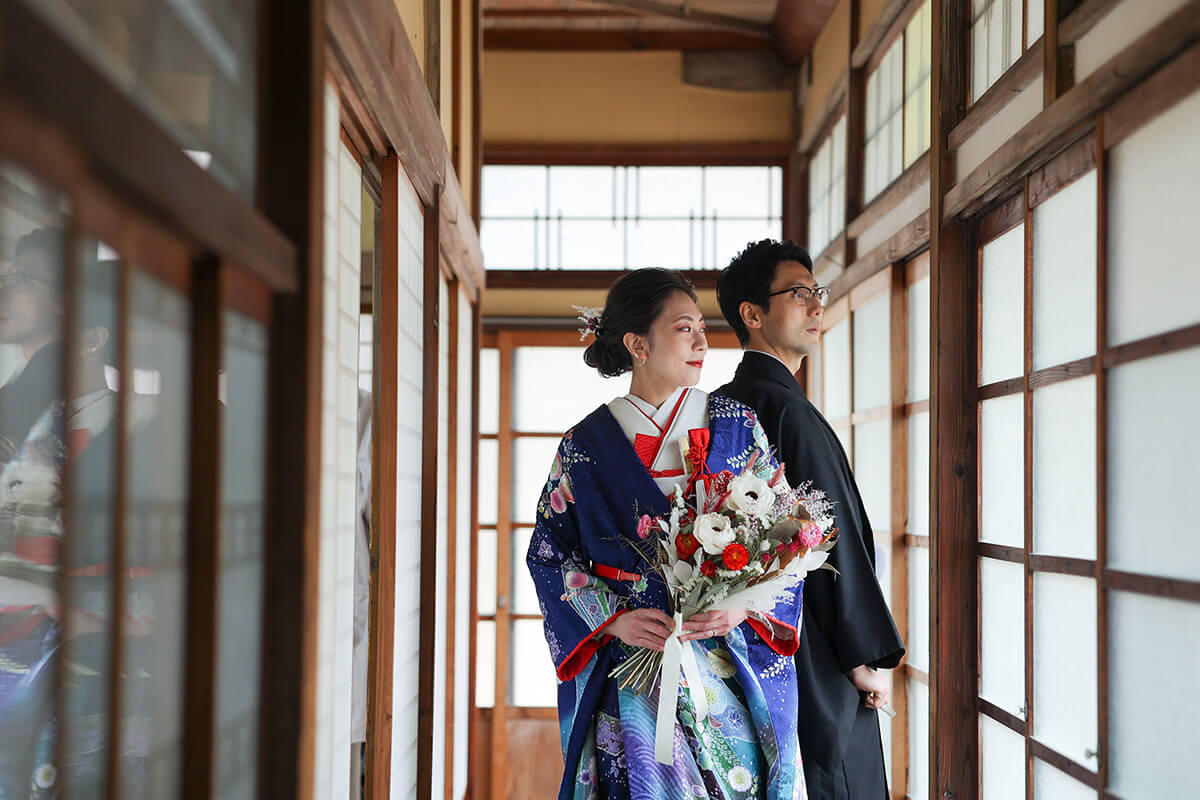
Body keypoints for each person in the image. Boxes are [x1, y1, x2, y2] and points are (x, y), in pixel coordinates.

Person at [527, 268, 807, 800]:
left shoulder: (737, 424)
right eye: (685, 328)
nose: (703, 342)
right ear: (638, 344)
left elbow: (791, 538)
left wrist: (743, 606)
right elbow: (548, 553)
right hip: (633, 670)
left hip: (722, 662)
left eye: (703, 327)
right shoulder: (584, 445)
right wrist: (613, 620)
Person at [714, 240, 904, 800]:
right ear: (752, 314)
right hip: (814, 652)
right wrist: (861, 659)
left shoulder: (728, 403)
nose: (817, 306)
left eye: (816, 292)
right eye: (798, 294)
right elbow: (828, 541)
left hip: (749, 649)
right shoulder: (787, 410)